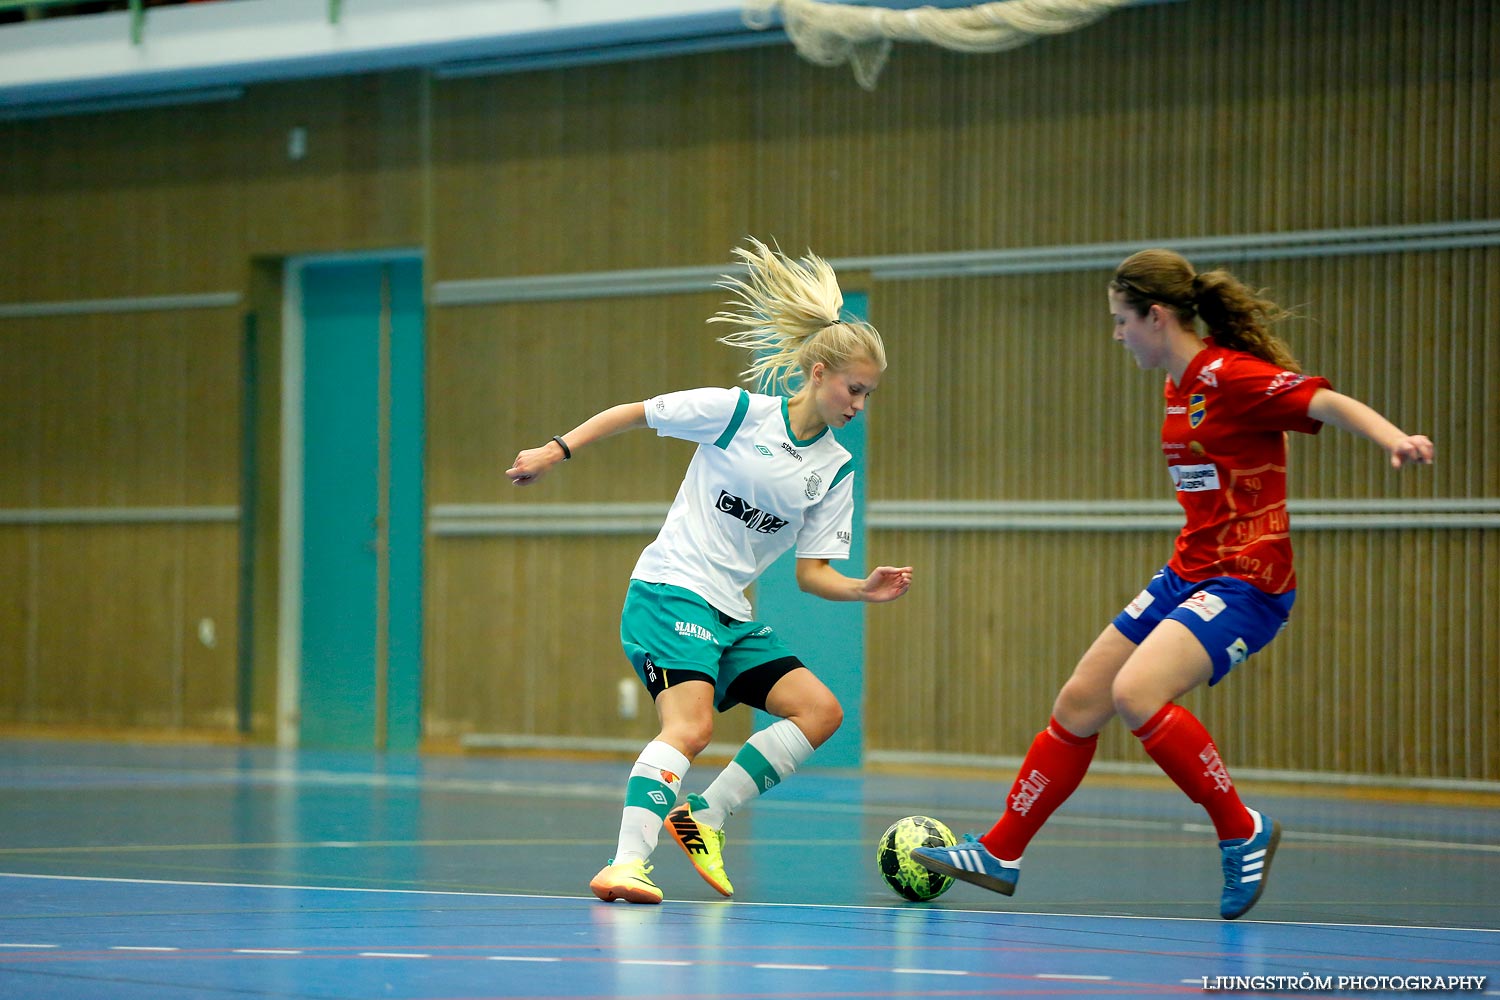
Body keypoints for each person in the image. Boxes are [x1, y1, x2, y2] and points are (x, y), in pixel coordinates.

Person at [913, 248, 1434, 920]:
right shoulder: (1175, 385)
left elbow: (1323, 400)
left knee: (1137, 691)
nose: (1116, 333)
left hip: (1250, 581)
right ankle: (1002, 850)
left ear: (1155, 316)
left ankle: (1240, 827)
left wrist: (1394, 438)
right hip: (1187, 572)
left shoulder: (1231, 376)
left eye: (1120, 320)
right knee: (1079, 702)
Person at [506, 239, 914, 904]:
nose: (858, 404)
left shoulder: (835, 468)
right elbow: (634, 414)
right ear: (817, 372)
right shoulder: (736, 415)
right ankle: (625, 864)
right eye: (854, 388)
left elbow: (814, 573)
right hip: (670, 592)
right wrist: (556, 450)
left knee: (818, 711)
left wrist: (861, 589)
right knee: (691, 728)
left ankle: (706, 815)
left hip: (730, 614)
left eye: (868, 394)